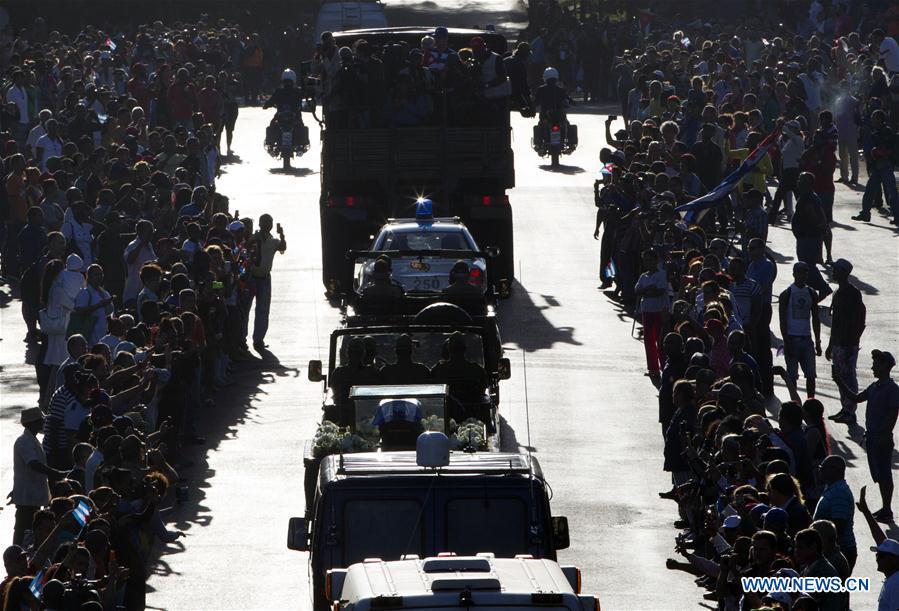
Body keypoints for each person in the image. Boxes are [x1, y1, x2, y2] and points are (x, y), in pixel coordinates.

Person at [834, 350, 899, 522]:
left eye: (876, 364)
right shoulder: (874, 386)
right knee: (878, 473)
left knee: (884, 473)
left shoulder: (892, 389)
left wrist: (884, 435)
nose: (872, 367)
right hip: (872, 437)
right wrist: (839, 381)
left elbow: (893, 415)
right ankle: (885, 508)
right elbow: (855, 398)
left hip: (881, 438)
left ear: (886, 366)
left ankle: (887, 509)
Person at [12, 408, 62, 545]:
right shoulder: (24, 442)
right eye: (41, 420)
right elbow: (33, 464)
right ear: (33, 423)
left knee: (31, 529)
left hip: (32, 494)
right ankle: (16, 555)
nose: (43, 422)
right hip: (27, 496)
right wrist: (54, 473)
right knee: (23, 529)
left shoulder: (32, 440)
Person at [826, 259, 866, 424]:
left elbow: (860, 319)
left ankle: (850, 412)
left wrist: (852, 343)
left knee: (848, 377)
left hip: (847, 343)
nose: (833, 272)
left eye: (836, 270)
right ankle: (845, 408)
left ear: (844, 272)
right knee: (839, 376)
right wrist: (830, 345)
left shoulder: (852, 293)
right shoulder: (838, 292)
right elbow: (835, 322)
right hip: (838, 343)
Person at [778, 262, 822, 398]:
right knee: (792, 376)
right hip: (792, 339)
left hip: (807, 340)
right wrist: (786, 342)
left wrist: (818, 341)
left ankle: (811, 402)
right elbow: (782, 320)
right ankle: (795, 404)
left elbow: (815, 318)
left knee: (811, 375)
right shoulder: (787, 293)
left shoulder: (811, 293)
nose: (802, 275)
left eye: (805, 272)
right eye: (799, 272)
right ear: (794, 274)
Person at [248, 214, 286, 351]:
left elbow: (282, 248)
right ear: (259, 223)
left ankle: (258, 340)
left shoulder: (273, 240)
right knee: (246, 309)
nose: (267, 225)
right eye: (265, 222)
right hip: (251, 278)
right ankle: (242, 339)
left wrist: (282, 235)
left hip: (264, 279)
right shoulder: (253, 238)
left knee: (263, 310)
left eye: (269, 222)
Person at [853, 109, 898, 223]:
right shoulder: (875, 132)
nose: (872, 120)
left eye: (874, 117)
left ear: (880, 119)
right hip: (878, 165)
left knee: (892, 191)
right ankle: (865, 213)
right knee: (870, 190)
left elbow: (890, 149)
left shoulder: (886, 132)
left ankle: (897, 216)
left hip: (885, 165)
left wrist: (879, 152)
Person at [813, 455, 857, 570]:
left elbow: (838, 527)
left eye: (823, 467)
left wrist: (829, 555)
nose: (819, 470)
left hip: (840, 551)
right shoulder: (832, 487)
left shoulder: (839, 493)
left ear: (835, 470)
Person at [635, 249, 669, 383]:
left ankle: (664, 366)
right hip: (647, 311)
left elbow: (659, 291)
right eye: (645, 261)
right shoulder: (644, 276)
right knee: (649, 341)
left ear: (656, 260)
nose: (647, 263)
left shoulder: (662, 274)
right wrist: (649, 289)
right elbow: (637, 290)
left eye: (650, 260)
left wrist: (646, 291)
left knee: (660, 341)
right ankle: (653, 368)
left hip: (660, 311)